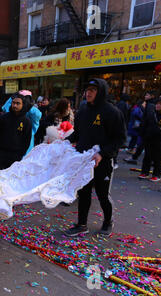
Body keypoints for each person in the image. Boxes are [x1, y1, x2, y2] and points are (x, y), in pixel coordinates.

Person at [65, 78, 126, 237]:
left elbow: (119, 139)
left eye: (93, 90)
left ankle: (107, 222)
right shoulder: (83, 111)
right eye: (87, 90)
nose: (88, 93)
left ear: (101, 92)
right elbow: (78, 134)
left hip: (103, 161)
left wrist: (102, 153)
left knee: (102, 194)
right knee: (83, 192)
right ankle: (82, 224)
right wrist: (63, 142)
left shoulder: (112, 112)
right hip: (84, 160)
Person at [0, 92, 32, 170]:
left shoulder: (26, 121)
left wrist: (21, 153)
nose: (15, 105)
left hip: (16, 155)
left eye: (18, 103)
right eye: (13, 103)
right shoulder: (3, 118)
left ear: (23, 105)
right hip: (1, 153)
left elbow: (27, 140)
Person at [138, 97, 161, 182]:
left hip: (160, 140)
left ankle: (156, 174)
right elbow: (145, 124)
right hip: (148, 138)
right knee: (147, 156)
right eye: (157, 103)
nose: (158, 105)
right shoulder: (152, 114)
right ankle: (145, 172)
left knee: (157, 158)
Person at [124, 91, 156, 164]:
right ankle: (136, 157)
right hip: (146, 128)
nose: (145, 96)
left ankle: (137, 158)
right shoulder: (148, 104)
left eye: (147, 95)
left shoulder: (150, 105)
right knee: (143, 144)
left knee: (144, 145)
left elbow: (148, 117)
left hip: (148, 128)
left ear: (152, 96)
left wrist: (144, 125)